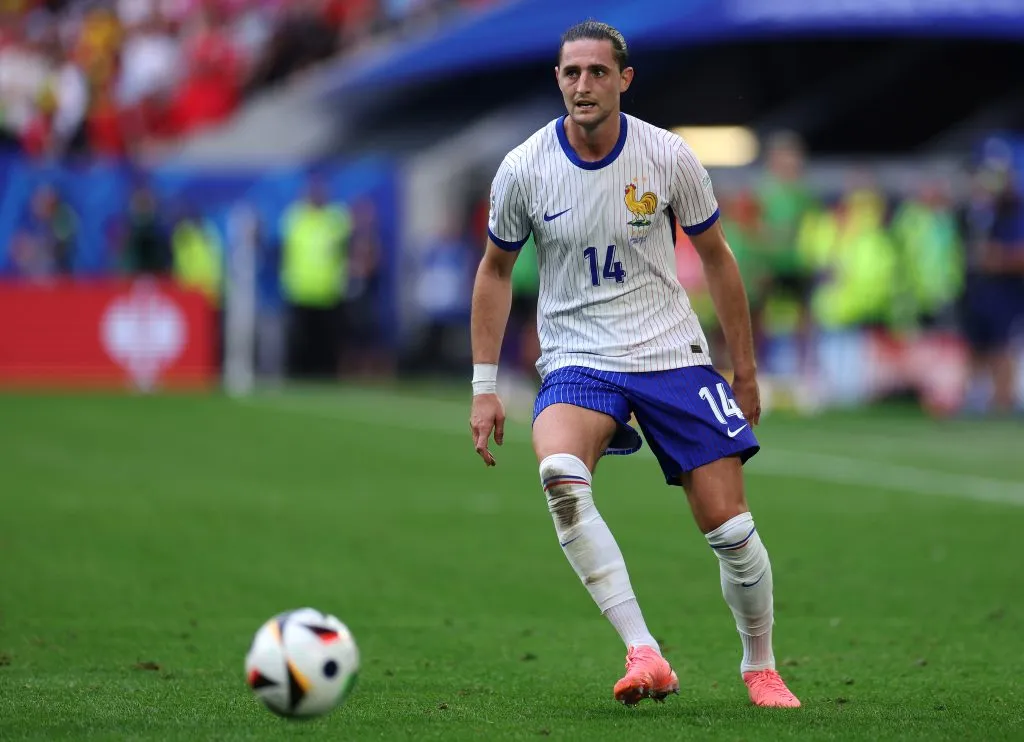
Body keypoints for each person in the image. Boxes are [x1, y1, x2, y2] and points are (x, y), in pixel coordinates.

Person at [468, 21, 800, 709]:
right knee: (560, 476)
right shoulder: (524, 168)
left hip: (670, 353)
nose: (582, 84)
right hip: (579, 356)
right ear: (558, 80)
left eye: (596, 72)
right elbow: (496, 271)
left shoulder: (668, 156)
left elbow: (718, 259)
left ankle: (760, 665)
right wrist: (484, 385)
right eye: (570, 73)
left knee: (731, 530)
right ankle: (643, 651)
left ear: (624, 78)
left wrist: (743, 372)